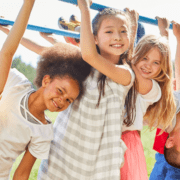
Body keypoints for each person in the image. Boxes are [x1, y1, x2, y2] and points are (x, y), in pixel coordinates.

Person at [38, 2, 139, 179]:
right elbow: (44, 50)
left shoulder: (126, 74)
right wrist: (9, 30)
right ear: (95, 38)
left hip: (100, 163)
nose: (117, 37)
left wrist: (84, 8)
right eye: (109, 31)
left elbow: (90, 55)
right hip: (65, 153)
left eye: (124, 31)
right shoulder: (81, 63)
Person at [0, 1, 91, 180]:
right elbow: (7, 53)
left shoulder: (44, 131)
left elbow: (22, 173)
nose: (62, 101)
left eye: (68, 100)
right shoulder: (15, 83)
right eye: (60, 91)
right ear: (46, 79)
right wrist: (29, 4)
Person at [150, 21, 180, 180]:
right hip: (162, 157)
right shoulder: (169, 107)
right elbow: (171, 73)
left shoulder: (165, 114)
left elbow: (169, 73)